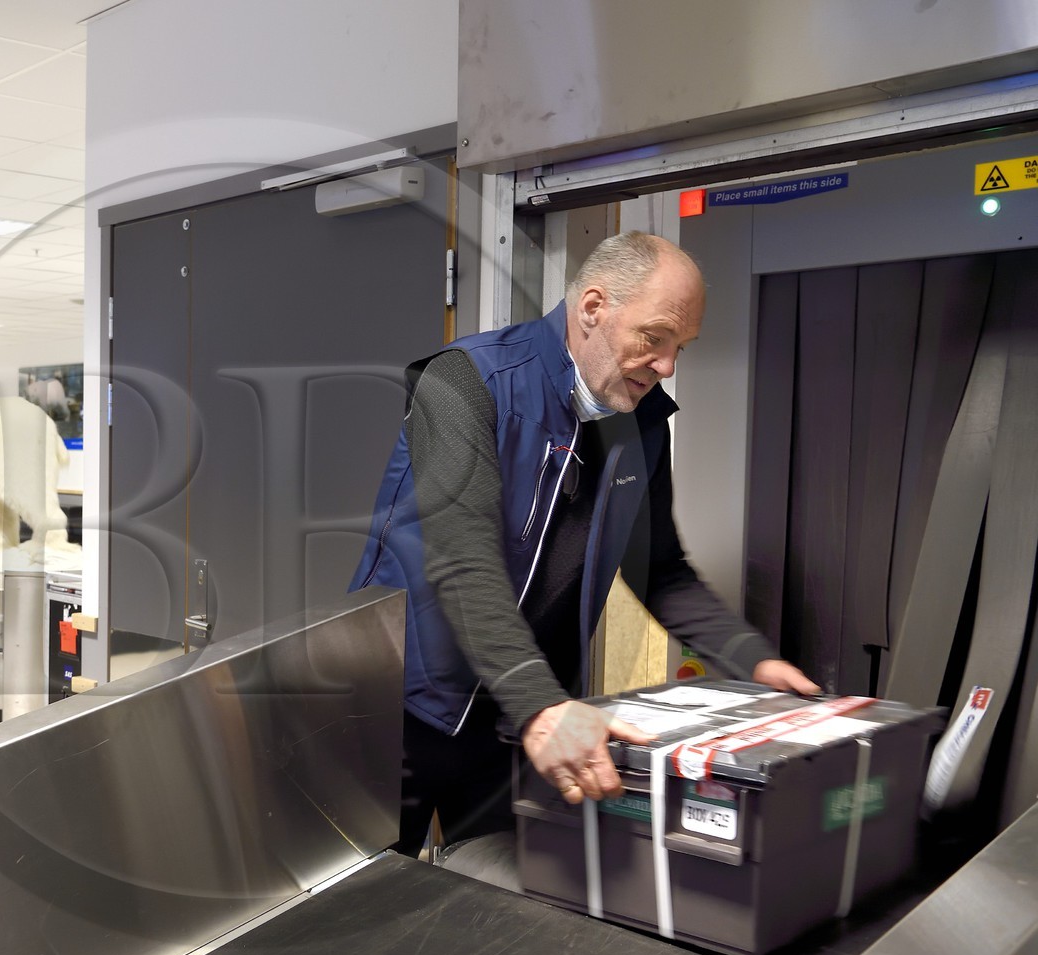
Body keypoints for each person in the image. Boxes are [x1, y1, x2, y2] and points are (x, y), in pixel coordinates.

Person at [348, 230, 818, 856]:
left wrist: (753, 658)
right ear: (594, 307)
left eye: (681, 347)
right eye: (655, 338)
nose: (668, 365)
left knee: (491, 902)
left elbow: (662, 569)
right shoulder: (465, 383)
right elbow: (463, 565)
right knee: (363, 898)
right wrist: (543, 706)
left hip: (514, 719)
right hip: (401, 707)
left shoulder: (642, 425)